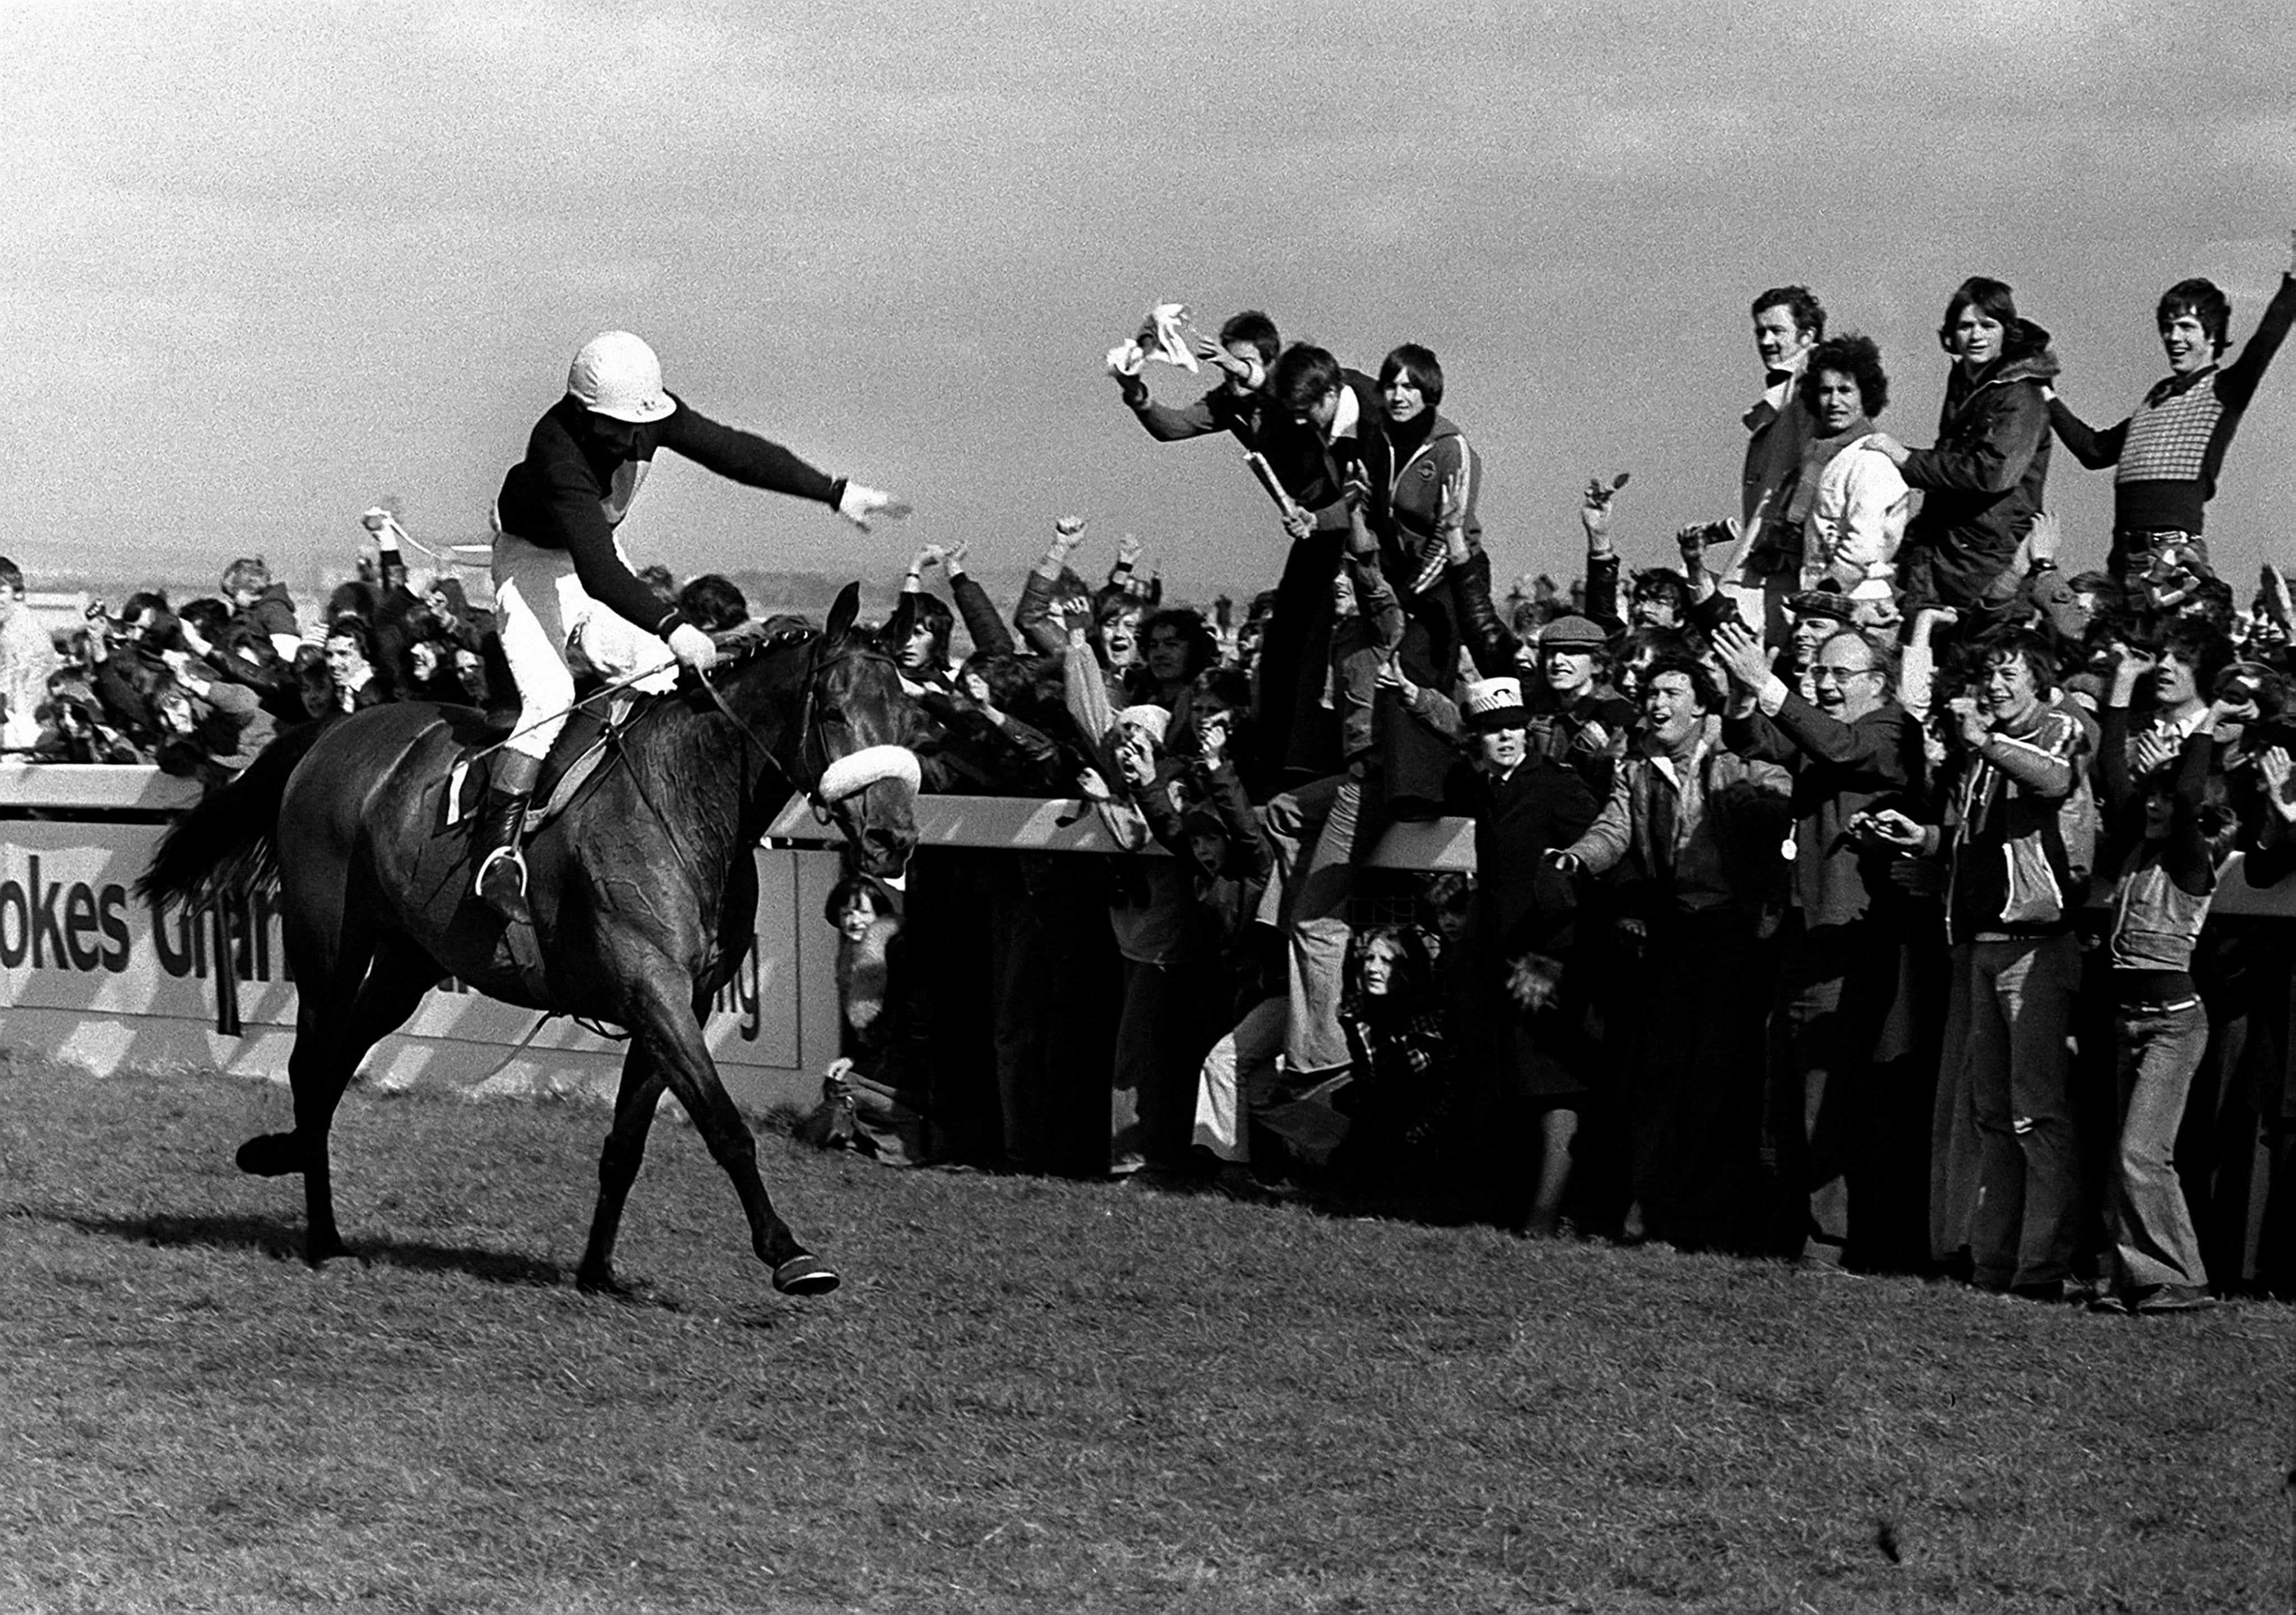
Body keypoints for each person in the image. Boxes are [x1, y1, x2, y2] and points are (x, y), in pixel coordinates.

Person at [478, 330, 909, 922]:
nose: (634, 439)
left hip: (593, 551)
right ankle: (496, 853)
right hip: (531, 559)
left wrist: (833, 491)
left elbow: (732, 453)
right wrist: (674, 623)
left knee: (653, 677)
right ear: (583, 412)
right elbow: (601, 574)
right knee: (550, 695)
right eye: (618, 428)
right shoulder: (557, 449)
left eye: (641, 425)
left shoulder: (645, 409)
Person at [1868, 632, 2087, 1299]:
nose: (1994, 687)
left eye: (2008, 674)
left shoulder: (2061, 728)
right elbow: (1980, 839)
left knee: (2037, 1115)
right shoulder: (1980, 751)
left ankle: (2042, 1264)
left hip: (2037, 945)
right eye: (1987, 674)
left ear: (2038, 680)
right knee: (1992, 1113)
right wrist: (1929, 840)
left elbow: (2054, 779)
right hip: (1980, 944)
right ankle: (1994, 1263)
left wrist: (1984, 740)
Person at [1552, 652, 1790, 1250]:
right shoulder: (1637, 766)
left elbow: (1779, 802)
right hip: (1677, 930)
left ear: (1702, 704)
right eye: (1651, 693)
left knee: (1718, 1080)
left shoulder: (1738, 755)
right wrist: (1577, 857)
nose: (1657, 704)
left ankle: (1708, 1219)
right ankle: (1653, 1209)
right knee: (1657, 1077)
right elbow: (1616, 828)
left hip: (1737, 931)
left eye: (1672, 693)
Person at [1711, 619, 1923, 1267]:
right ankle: (1790, 1227)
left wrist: (1771, 689)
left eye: (1840, 674)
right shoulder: (1824, 727)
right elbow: (1753, 738)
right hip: (1803, 932)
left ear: (1879, 682)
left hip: (1852, 937)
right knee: (1788, 1086)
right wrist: (1743, 696)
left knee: (1828, 1095)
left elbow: (1835, 747)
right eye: (1819, 673)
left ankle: (1829, 1240)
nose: (1824, 685)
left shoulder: (1892, 730)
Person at [2089, 646, 2221, 1312]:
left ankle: (2181, 1275)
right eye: (2153, 798)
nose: (2154, 807)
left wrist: (2202, 730)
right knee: (2125, 1154)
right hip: (2128, 1018)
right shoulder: (2136, 846)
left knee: (2143, 1152)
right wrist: (2120, 687)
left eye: (2163, 801)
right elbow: (2113, 775)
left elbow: (2193, 795)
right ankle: (2130, 1278)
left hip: (2172, 1023)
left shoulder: (2189, 862)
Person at [2046, 230, 2296, 579]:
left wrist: (2294, 282)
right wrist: (2046, 395)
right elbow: (2094, 451)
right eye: (2167, 327)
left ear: (2212, 335)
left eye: (2186, 327)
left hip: (2174, 556)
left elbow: (2266, 339)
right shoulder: (2155, 398)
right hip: (2124, 555)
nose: (2173, 338)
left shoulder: (2225, 389)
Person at [1456, 675, 1600, 1237]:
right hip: (1504, 956)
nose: (1508, 737)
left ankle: (1546, 1214)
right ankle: (1519, 1205)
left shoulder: (1555, 786)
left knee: (1553, 1083)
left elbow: (1596, 849)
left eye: (1515, 726)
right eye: (1494, 730)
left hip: (1548, 958)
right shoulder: (1486, 788)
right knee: (1515, 1079)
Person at [1872, 277, 2059, 610]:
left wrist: (1908, 460)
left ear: (2007, 331)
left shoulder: (2020, 393)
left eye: (1988, 325)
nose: (1976, 336)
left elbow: (1993, 473)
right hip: (1945, 553)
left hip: (1988, 559)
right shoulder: (1968, 383)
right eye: (1965, 326)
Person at [1728, 286, 1826, 632]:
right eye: (1760, 332)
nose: (1767, 341)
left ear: (1807, 336)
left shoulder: (1809, 385)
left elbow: (1815, 465)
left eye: (1777, 331)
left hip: (1783, 550)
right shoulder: (1786, 387)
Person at [1784, 334, 1909, 605]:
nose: (1834, 402)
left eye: (1845, 391)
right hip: (1820, 594)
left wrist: (1828, 593)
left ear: (1866, 395)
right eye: (1826, 391)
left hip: (1857, 599)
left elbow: (1865, 543)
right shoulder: (1820, 456)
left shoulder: (1871, 459)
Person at [0, 558, 60, 751]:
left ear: (17, 594)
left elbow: (27, 698)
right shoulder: (6, 628)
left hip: (23, 730)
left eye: (1, 592)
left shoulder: (28, 634)